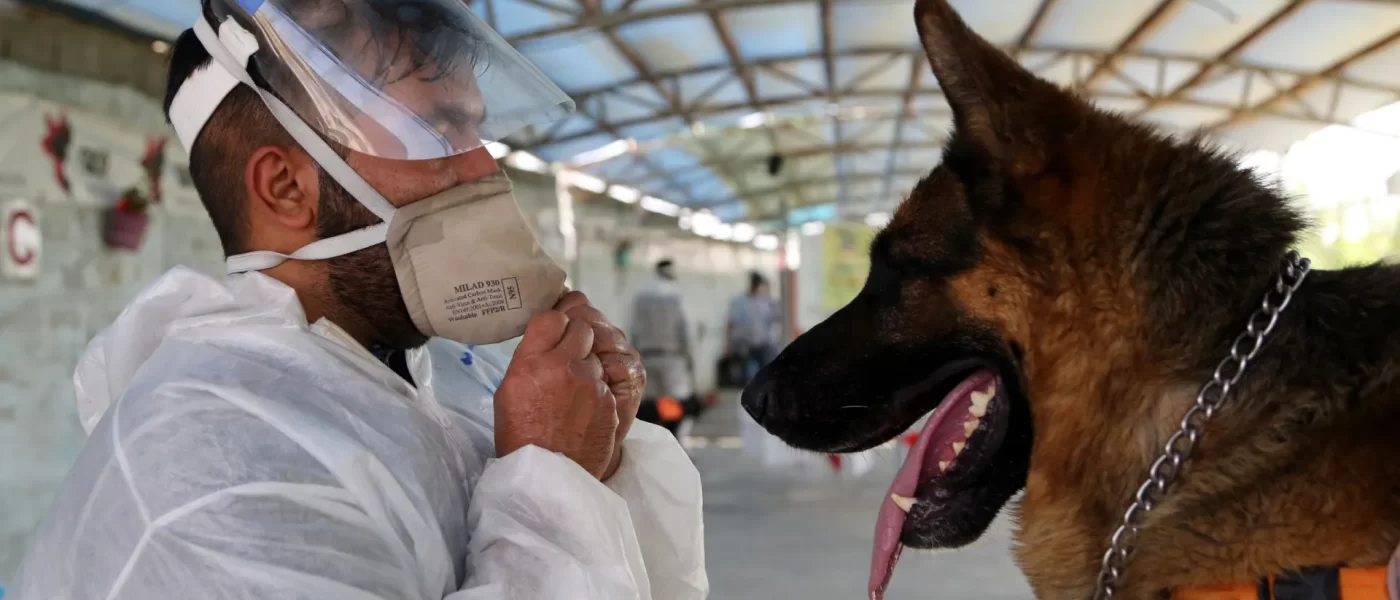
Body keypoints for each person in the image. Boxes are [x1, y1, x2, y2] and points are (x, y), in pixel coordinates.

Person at [13, 2, 707, 599]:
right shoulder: (206, 470)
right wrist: (551, 487)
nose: (483, 168)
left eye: (477, 131)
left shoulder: (443, 382)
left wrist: (592, 458)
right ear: (286, 189)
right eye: (438, 131)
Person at [628, 260, 714, 440]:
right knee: (679, 405)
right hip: (673, 359)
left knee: (651, 406)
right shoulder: (677, 298)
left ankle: (654, 442)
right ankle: (677, 442)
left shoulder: (640, 297)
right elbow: (687, 333)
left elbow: (632, 330)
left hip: (646, 358)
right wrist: (692, 361)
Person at [727, 272, 782, 383]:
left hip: (764, 345)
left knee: (765, 375)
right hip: (746, 344)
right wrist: (729, 344)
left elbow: (776, 319)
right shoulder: (740, 301)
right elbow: (731, 323)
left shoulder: (766, 302)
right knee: (749, 374)